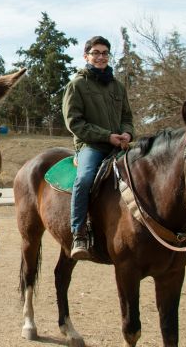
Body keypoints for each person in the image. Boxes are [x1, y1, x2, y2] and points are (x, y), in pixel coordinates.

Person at [62, 36, 134, 260]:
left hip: (119, 145)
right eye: (96, 52)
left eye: (104, 53)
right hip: (91, 146)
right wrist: (106, 136)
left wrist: (127, 133)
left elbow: (127, 117)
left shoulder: (118, 86)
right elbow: (74, 122)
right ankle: (79, 233)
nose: (101, 56)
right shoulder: (77, 85)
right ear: (86, 56)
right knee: (84, 180)